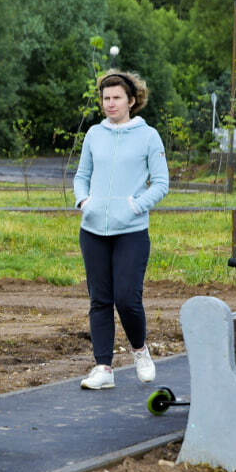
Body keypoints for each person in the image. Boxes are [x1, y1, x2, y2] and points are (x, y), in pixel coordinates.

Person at [72, 70, 170, 390]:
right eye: (105, 98)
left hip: (131, 230)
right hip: (93, 230)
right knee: (100, 300)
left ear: (131, 100)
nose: (110, 103)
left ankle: (140, 350)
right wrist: (84, 201)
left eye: (116, 98)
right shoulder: (93, 135)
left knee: (126, 298)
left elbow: (161, 183)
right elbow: (81, 175)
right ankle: (103, 368)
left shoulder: (148, 136)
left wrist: (135, 206)